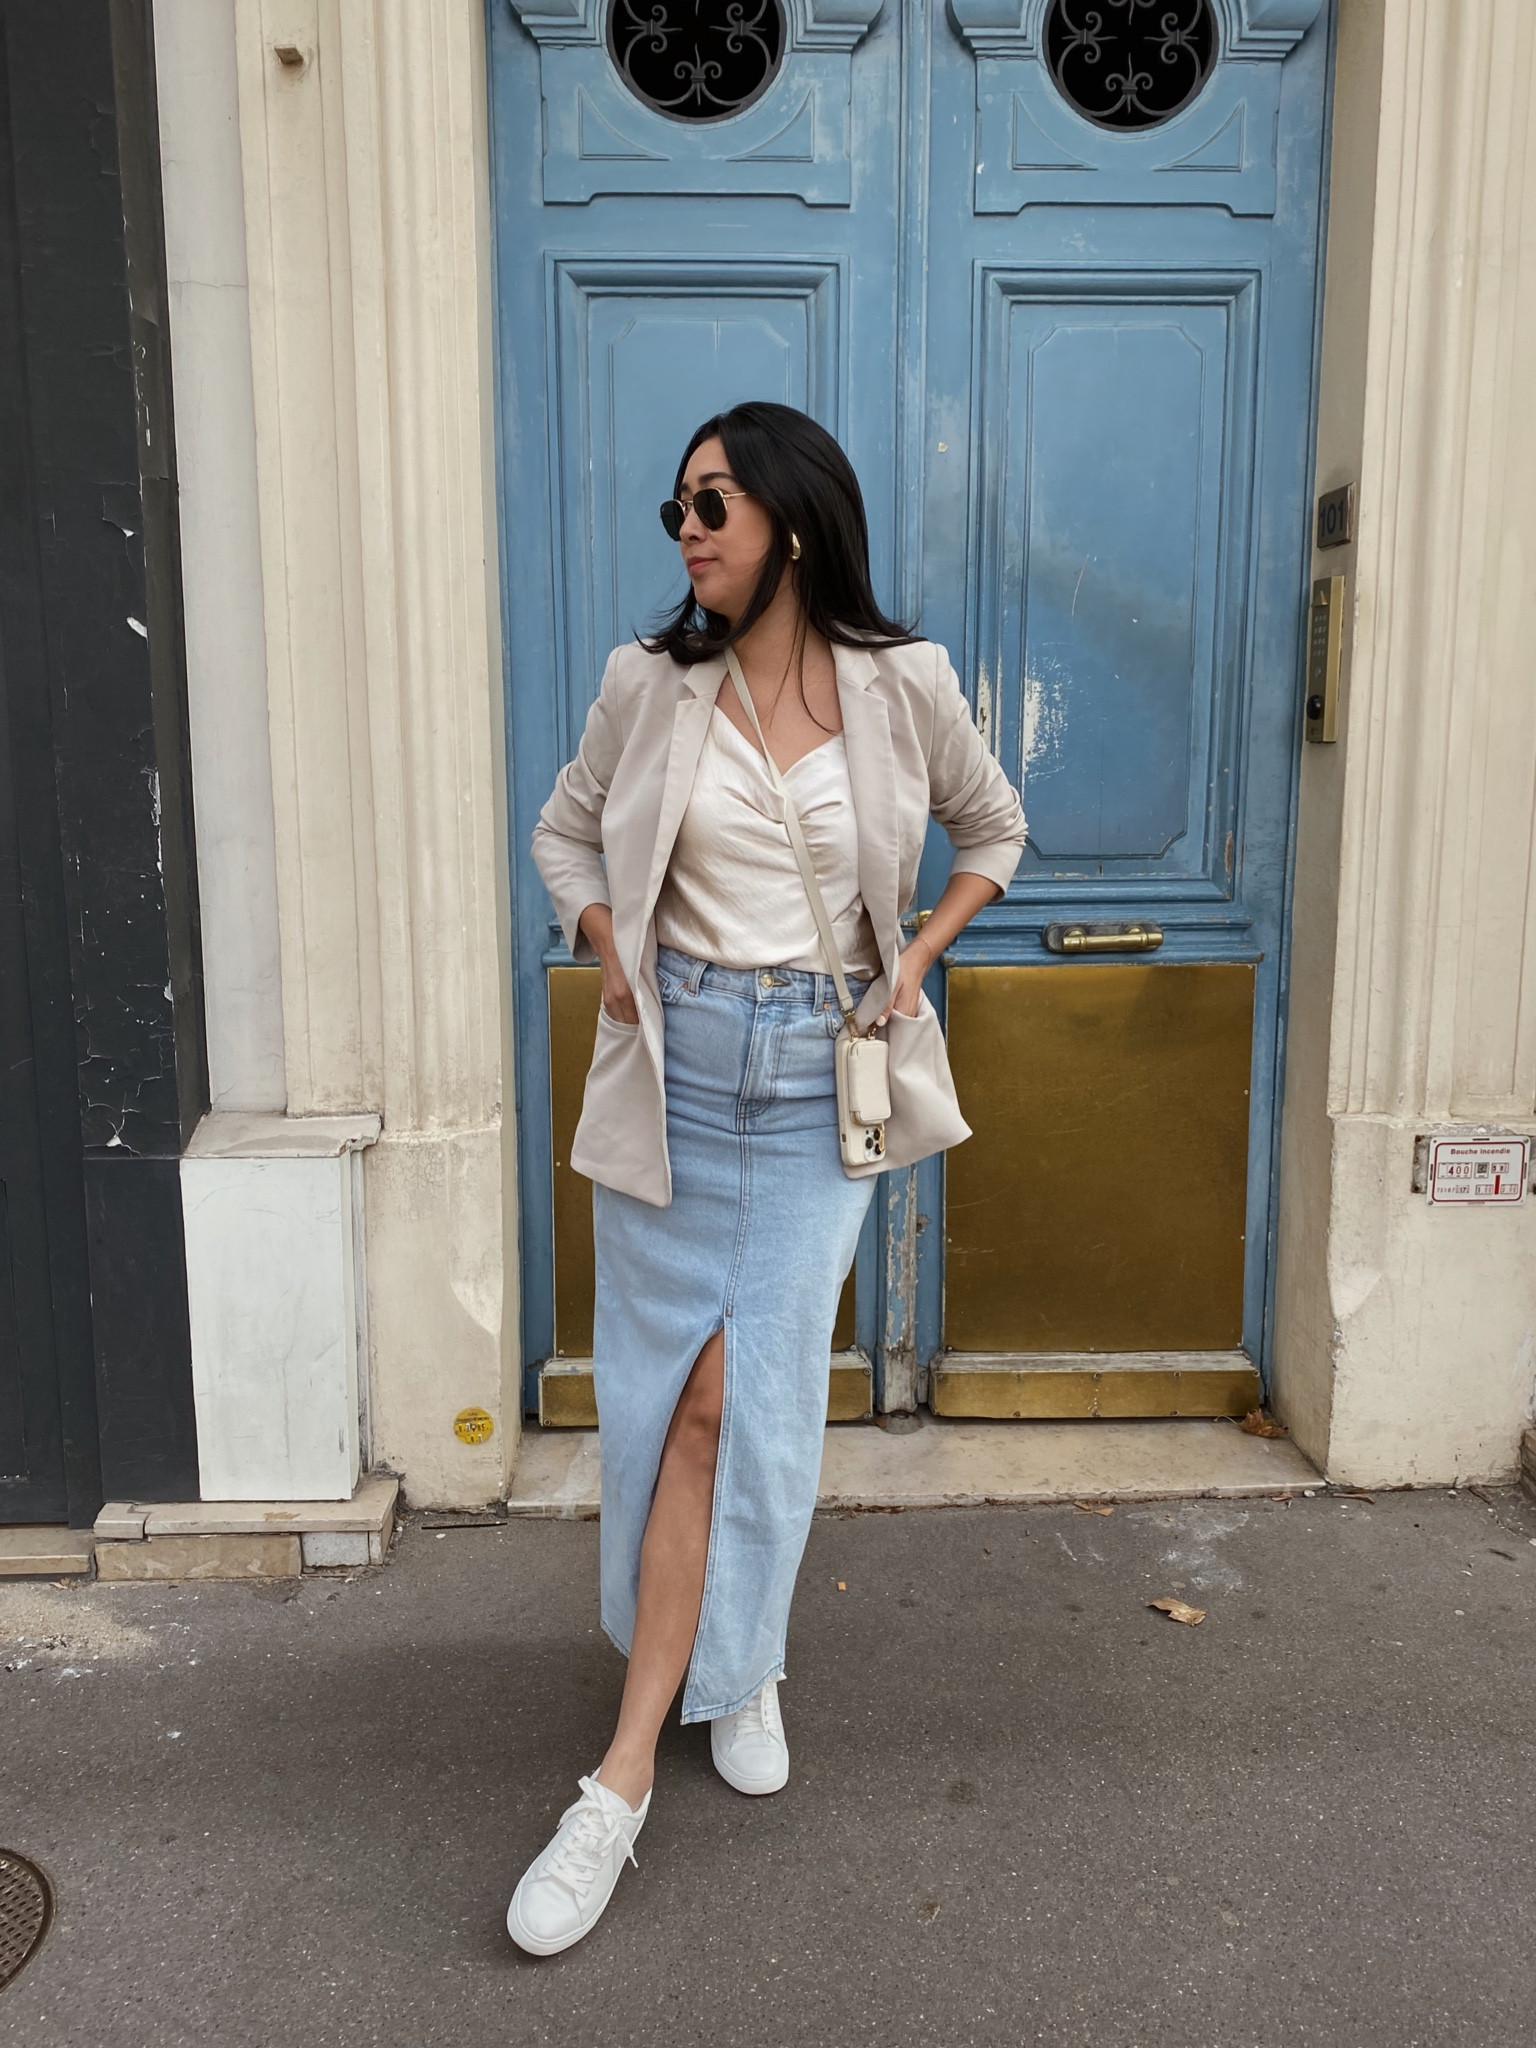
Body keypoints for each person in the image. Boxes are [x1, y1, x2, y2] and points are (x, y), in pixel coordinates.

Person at [510, 401, 1025, 1954]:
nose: (687, 532)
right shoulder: (647, 685)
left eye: (712, 507)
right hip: (682, 1078)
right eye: (677, 509)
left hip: (815, 1082)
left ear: (789, 521)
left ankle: (659, 1742)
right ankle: (677, 1719)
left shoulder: (901, 684)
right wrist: (608, 954)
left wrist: (918, 958)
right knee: (672, 1405)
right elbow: (565, 838)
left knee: (754, 1399)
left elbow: (995, 829)